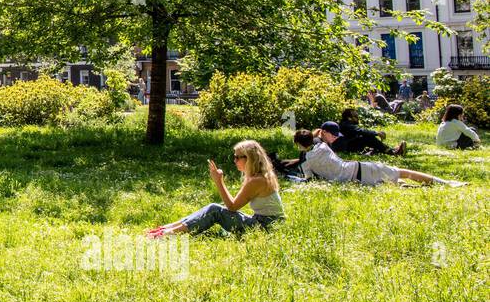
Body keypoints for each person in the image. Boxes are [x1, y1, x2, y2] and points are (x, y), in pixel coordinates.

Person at [148, 140, 285, 237]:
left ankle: (168, 233)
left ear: (249, 158)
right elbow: (232, 205)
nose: (234, 160)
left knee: (215, 210)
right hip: (267, 224)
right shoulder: (260, 176)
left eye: (237, 157)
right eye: (234, 157)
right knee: (216, 207)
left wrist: (219, 181)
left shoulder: (257, 181)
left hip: (266, 228)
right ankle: (167, 228)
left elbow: (232, 207)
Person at [294, 128, 464, 187]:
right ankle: (446, 183)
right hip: (358, 168)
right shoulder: (323, 146)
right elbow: (319, 136)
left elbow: (309, 179)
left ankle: (437, 185)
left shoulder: (306, 162)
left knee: (395, 182)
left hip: (353, 181)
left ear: (298, 145)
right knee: (401, 173)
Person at [334, 112, 405, 157]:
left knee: (367, 138)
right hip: (347, 147)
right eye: (355, 116)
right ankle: (392, 152)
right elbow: (360, 131)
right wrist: (376, 133)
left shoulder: (345, 123)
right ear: (349, 118)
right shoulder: (346, 124)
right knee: (368, 137)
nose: (357, 118)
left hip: (348, 145)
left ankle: (390, 149)